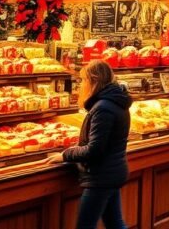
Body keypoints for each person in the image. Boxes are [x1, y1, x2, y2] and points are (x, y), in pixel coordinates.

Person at [46, 60, 131, 229]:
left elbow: (95, 149)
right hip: (113, 171)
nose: (81, 85)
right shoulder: (116, 102)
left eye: (83, 80)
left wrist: (65, 155)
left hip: (101, 176)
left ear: (93, 81)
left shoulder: (103, 108)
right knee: (115, 223)